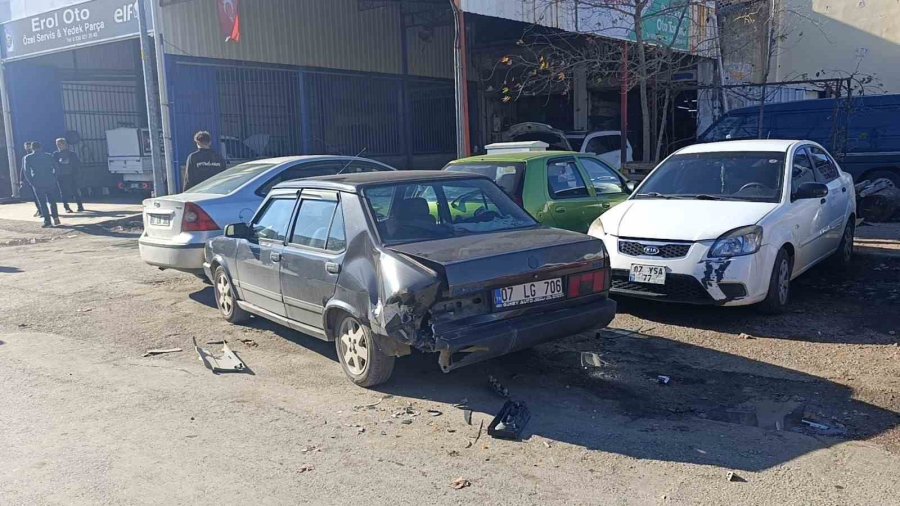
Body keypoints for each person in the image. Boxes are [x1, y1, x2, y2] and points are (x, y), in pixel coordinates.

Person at [23, 141, 61, 228]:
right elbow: (56, 168)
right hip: (50, 181)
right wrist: (54, 178)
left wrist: (31, 182)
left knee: (42, 203)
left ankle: (47, 221)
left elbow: (27, 172)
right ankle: (56, 218)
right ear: (41, 147)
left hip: (37, 182)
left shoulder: (28, 158)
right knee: (52, 201)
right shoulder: (48, 156)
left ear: (32, 148)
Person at [53, 137, 84, 213]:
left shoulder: (72, 154)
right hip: (61, 176)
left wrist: (77, 173)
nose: (59, 146)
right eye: (57, 144)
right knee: (63, 192)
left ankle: (80, 205)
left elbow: (77, 164)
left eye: (60, 144)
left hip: (71, 175)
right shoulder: (55, 154)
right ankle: (66, 207)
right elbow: (53, 164)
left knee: (75, 190)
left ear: (65, 144)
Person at [18, 142, 43, 218]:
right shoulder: (25, 157)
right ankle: (39, 209)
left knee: (39, 195)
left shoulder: (35, 156)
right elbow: (23, 169)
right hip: (30, 179)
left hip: (38, 177)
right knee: (35, 196)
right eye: (26, 147)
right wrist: (21, 179)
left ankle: (42, 210)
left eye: (29, 146)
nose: (28, 148)